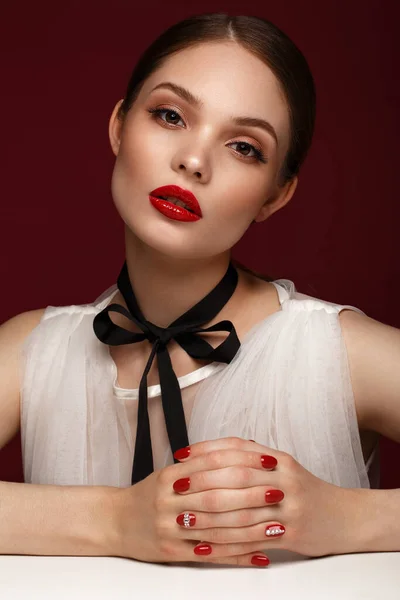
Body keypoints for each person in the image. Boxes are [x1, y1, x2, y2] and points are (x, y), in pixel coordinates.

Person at [1, 12, 399, 568]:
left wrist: (348, 517)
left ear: (275, 197)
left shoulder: (337, 352)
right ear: (119, 125)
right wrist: (115, 521)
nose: (193, 160)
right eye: (170, 115)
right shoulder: (30, 352)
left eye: (244, 147)